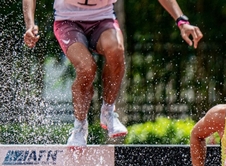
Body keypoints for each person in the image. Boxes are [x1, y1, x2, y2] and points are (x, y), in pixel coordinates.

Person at [22, 0, 203, 147]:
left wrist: (182, 22)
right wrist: (30, 25)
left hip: (102, 20)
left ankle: (108, 112)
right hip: (68, 22)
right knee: (86, 68)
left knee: (116, 50)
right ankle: (79, 127)